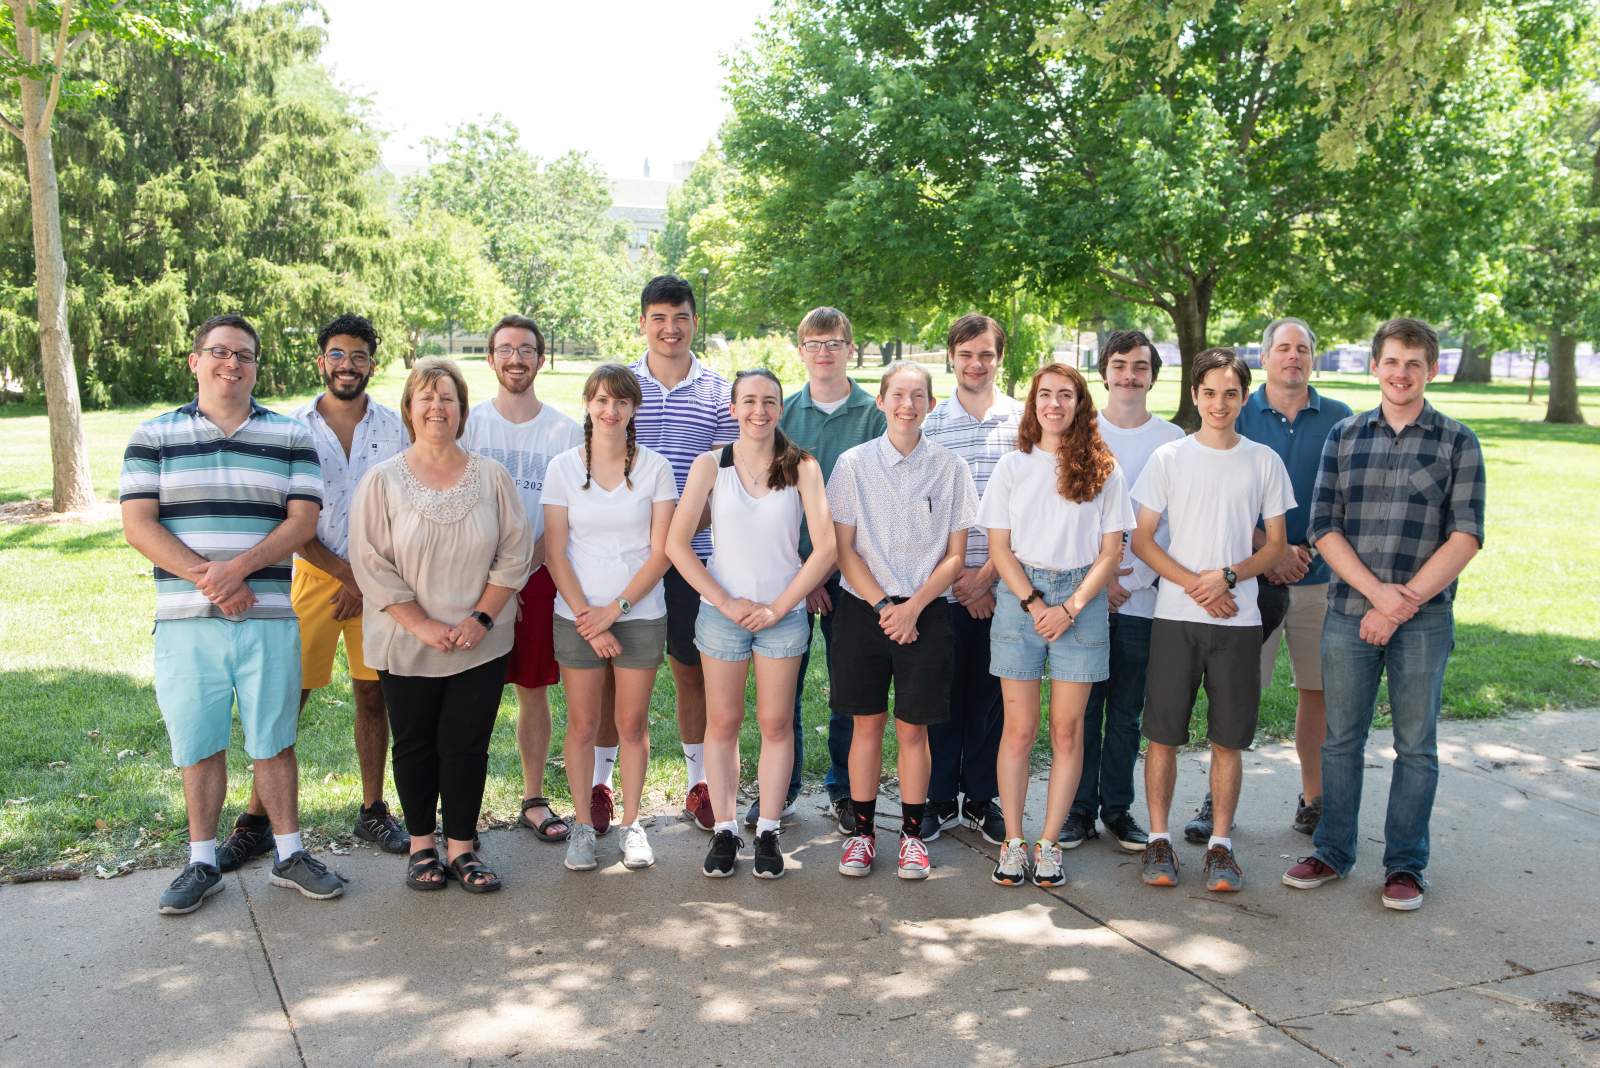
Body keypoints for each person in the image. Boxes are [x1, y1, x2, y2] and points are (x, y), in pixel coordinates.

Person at [121, 314, 344, 914]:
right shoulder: (153, 437)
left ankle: (289, 853)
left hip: (269, 617)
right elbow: (138, 524)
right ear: (194, 361)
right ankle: (200, 861)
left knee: (275, 738)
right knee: (199, 742)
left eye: (244, 355)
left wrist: (239, 570)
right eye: (219, 352)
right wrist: (214, 581)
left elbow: (301, 522)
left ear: (255, 366)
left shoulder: (289, 436)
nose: (232, 364)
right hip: (186, 622)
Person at [1283, 317, 1484, 912]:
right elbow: (1324, 527)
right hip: (1348, 613)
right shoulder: (1344, 437)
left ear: (1432, 370)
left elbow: (1466, 534)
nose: (1401, 374)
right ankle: (1333, 849)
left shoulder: (1457, 441)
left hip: (1424, 619)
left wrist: (1401, 605)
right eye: (1392, 362)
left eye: (1414, 364)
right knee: (1340, 741)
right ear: (1375, 367)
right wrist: (1376, 597)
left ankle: (1405, 865)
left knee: (1416, 744)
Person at [215, 315, 408, 871]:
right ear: (321, 360)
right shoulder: (290, 427)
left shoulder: (396, 428)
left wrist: (368, 581)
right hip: (311, 577)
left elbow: (402, 509)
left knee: (374, 695)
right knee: (287, 699)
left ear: (374, 362)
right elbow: (287, 518)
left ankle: (373, 808)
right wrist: (346, 577)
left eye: (360, 355)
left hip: (380, 582)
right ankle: (255, 820)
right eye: (338, 354)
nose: (348, 364)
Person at [349, 358, 533, 894]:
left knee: (467, 742)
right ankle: (421, 844)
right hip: (406, 639)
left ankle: (462, 847)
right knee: (414, 743)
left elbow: (514, 553)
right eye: (426, 398)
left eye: (447, 398)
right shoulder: (382, 481)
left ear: (462, 410)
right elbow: (370, 563)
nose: (437, 407)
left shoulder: (492, 477)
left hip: (482, 638)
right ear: (409, 409)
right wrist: (422, 624)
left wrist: (480, 617)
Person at [1130, 347, 1293, 893]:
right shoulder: (1169, 460)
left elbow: (1275, 548)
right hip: (1176, 617)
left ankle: (1221, 846)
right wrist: (1195, 585)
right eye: (1209, 392)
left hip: (1238, 622)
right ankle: (1159, 838)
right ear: (1194, 395)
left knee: (1228, 740)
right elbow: (1143, 540)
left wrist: (1226, 576)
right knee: (1162, 735)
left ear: (1244, 398)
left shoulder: (1263, 460)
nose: (1219, 403)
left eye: (1230, 393)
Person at [670, 369, 837, 879]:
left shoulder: (802, 466)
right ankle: (724, 829)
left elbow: (826, 548)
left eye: (768, 401)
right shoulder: (710, 466)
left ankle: (766, 828)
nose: (758, 411)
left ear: (780, 408)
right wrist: (723, 600)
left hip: (782, 615)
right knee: (722, 723)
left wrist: (780, 605)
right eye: (748, 401)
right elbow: (677, 544)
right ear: (733, 408)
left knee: (775, 723)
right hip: (723, 616)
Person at [590, 276, 738, 836]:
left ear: (694, 321)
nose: (669, 328)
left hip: (694, 557)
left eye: (679, 317)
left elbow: (728, 480)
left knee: (689, 668)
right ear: (643, 322)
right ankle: (602, 783)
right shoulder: (621, 387)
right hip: (623, 558)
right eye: (658, 317)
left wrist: (675, 537)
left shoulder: (718, 392)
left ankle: (698, 780)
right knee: (613, 674)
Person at [982, 363, 1134, 886]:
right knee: (1019, 729)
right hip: (1020, 597)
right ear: (1033, 404)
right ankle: (1013, 842)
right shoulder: (1012, 466)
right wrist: (1034, 603)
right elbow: (999, 548)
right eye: (1045, 395)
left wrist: (1069, 608)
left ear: (1079, 404)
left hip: (1083, 601)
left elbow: (1111, 550)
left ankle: (1049, 844)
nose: (1054, 404)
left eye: (1065, 395)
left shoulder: (1104, 469)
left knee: (1067, 731)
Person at [827, 361, 978, 880]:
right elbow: (843, 551)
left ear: (932, 405)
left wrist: (912, 608)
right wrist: (883, 608)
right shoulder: (852, 465)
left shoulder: (952, 468)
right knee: (865, 727)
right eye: (898, 395)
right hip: (862, 610)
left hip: (926, 612)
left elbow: (957, 556)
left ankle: (913, 836)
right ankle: (864, 835)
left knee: (914, 732)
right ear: (881, 401)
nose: (907, 405)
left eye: (918, 396)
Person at [543, 365, 678, 873]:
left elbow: (661, 551)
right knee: (582, 725)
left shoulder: (655, 468)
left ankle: (633, 823)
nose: (610, 410)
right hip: (576, 616)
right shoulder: (562, 468)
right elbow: (556, 552)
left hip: (640, 614)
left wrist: (615, 611)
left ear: (633, 409)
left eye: (621, 401)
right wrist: (588, 619)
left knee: (630, 724)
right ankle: (583, 824)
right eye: (600, 400)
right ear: (586, 405)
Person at [461, 314, 582, 844]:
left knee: (533, 688)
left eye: (526, 350)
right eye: (505, 349)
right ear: (491, 359)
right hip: (469, 574)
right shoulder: (470, 424)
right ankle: (461, 802)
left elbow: (566, 512)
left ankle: (532, 797)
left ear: (541, 358)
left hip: (536, 572)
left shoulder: (564, 430)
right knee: (469, 692)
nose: (516, 359)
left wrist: (524, 567)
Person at [1065, 332, 1184, 854]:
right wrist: (1101, 579)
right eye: (1120, 365)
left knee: (1127, 713)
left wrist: (1135, 580)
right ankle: (1076, 811)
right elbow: (1068, 513)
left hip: (1144, 600)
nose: (1130, 375)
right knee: (1081, 710)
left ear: (1152, 376)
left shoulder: (1173, 439)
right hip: (1086, 596)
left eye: (1140, 366)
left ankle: (1117, 808)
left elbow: (1176, 524)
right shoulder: (1078, 432)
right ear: (1105, 372)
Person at [1234, 317, 1353, 838]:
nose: (1293, 357)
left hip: (1322, 579)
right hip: (1251, 581)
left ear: (1314, 358)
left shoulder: (1341, 419)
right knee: (1237, 691)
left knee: (1317, 691)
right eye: (1283, 348)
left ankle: (1315, 797)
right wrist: (1271, 549)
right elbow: (1222, 501)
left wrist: (1308, 551)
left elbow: (1353, 499)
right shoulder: (1238, 413)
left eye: (1302, 349)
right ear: (1265, 358)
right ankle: (1218, 806)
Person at [772, 307, 886, 836]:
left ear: (850, 349)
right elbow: (774, 497)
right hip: (791, 571)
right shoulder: (782, 413)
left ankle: (844, 788)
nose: (824, 352)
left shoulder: (874, 414)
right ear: (801, 351)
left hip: (857, 576)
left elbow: (882, 500)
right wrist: (808, 571)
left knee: (850, 686)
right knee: (784, 684)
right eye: (813, 343)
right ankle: (782, 788)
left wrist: (834, 569)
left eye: (834, 342)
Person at [921, 314, 1021, 846]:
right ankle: (939, 797)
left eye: (986, 354)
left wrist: (986, 581)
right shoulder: (931, 425)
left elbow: (1030, 511)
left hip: (1004, 585)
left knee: (990, 699)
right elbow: (922, 512)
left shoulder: (1023, 423)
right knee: (941, 696)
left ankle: (981, 798)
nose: (975, 364)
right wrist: (958, 580)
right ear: (951, 359)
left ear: (1000, 358)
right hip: (941, 586)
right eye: (965, 354)